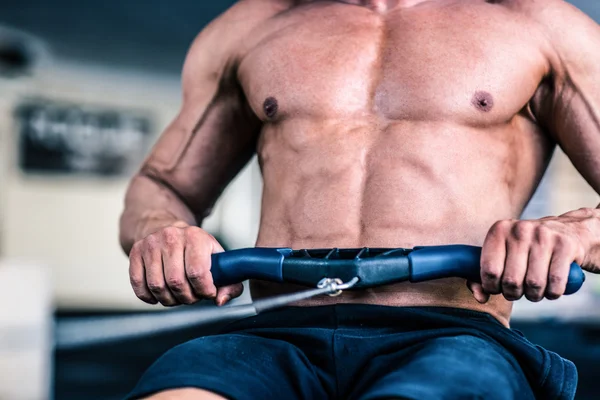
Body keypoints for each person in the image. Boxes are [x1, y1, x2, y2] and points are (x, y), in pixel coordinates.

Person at [119, 0, 600, 399]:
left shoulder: (540, 26)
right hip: (273, 337)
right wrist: (162, 232)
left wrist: (573, 234)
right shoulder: (251, 27)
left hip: (451, 336)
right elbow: (163, 187)